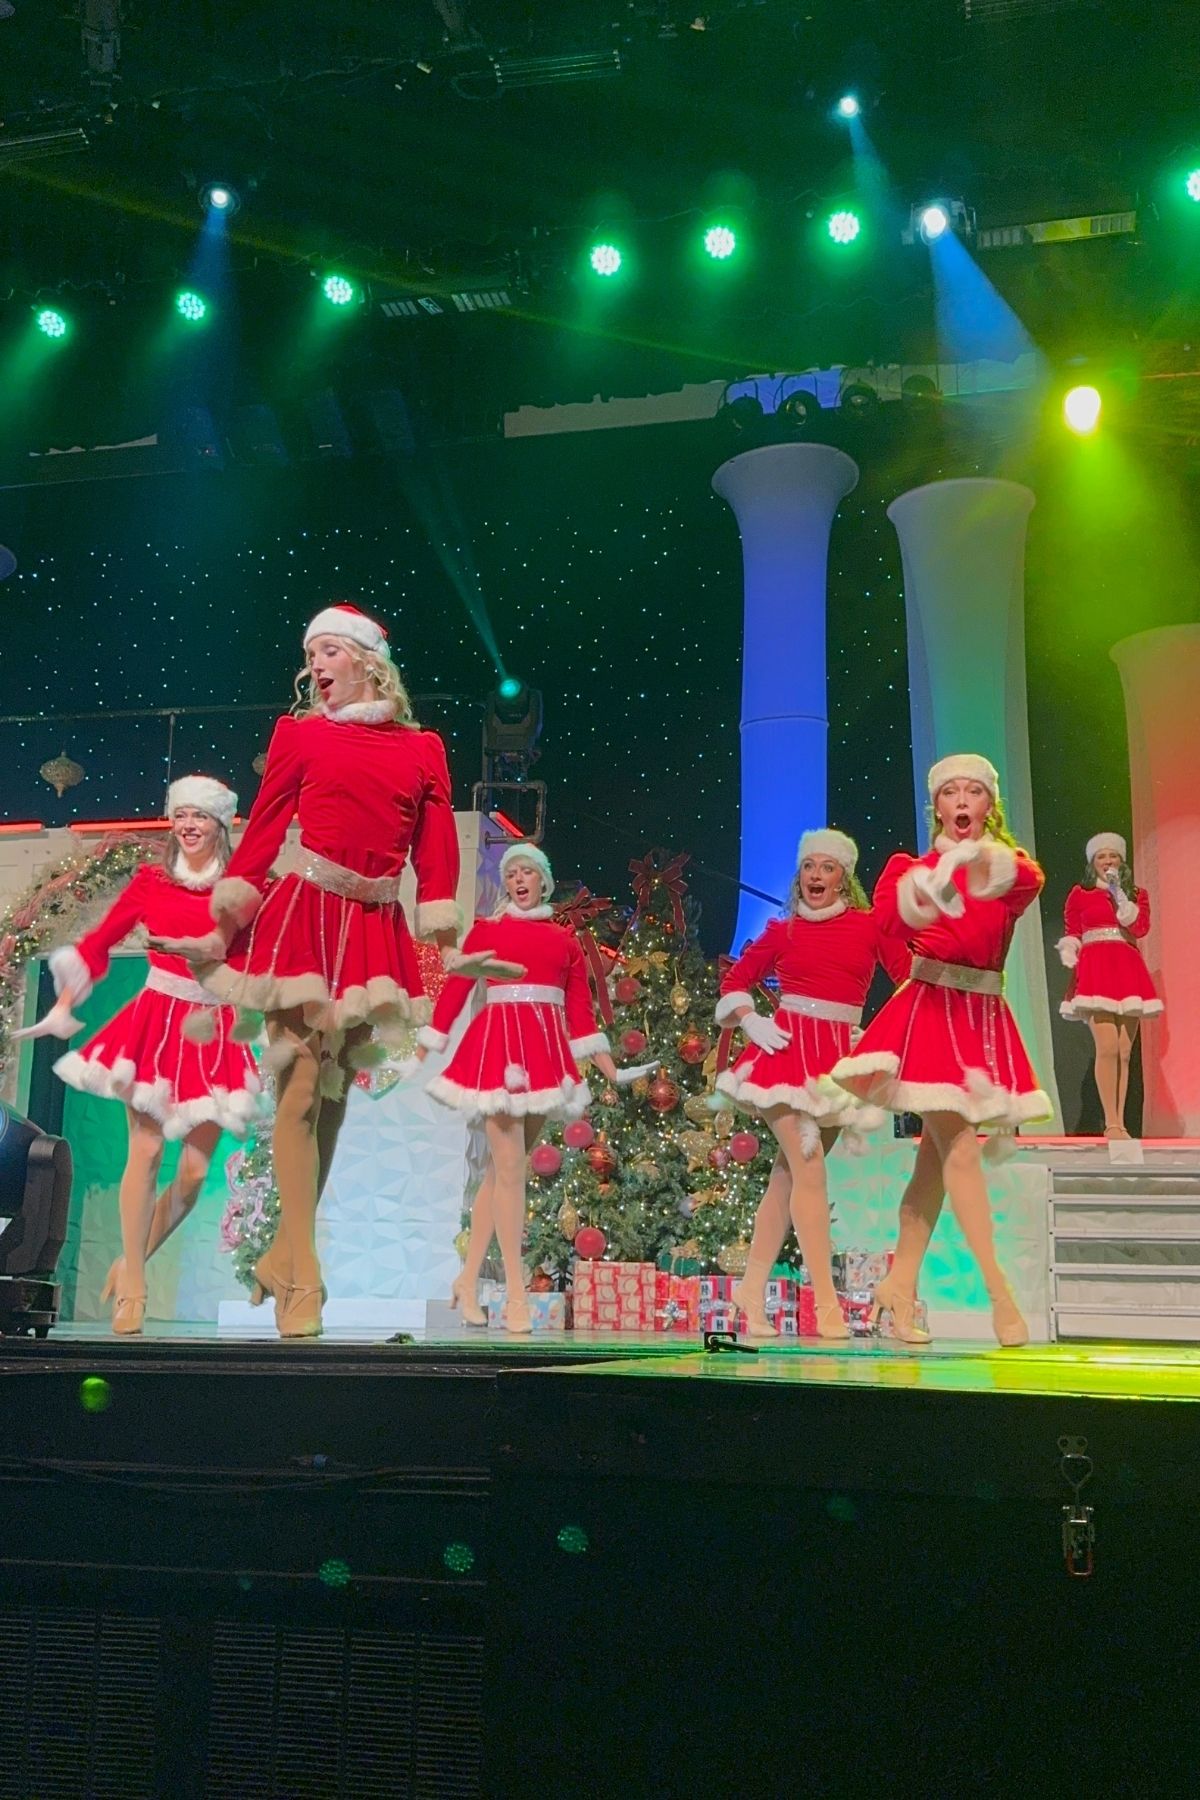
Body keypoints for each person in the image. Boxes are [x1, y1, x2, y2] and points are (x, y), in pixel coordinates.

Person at [157, 603, 517, 1340]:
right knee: (296, 1087)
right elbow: (261, 831)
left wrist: (445, 938)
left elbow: (436, 851)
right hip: (307, 916)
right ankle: (305, 1278)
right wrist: (224, 921)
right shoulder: (301, 735)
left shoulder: (423, 750)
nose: (315, 664)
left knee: (334, 1094)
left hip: (374, 926)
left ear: (367, 660)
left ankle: (284, 1256)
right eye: (309, 654)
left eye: (328, 651)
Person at [831, 755, 1051, 1348]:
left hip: (981, 1015)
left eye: (972, 792)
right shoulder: (910, 870)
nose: (960, 800)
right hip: (930, 1013)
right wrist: (922, 892)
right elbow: (888, 924)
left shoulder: (1008, 870)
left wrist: (972, 858)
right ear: (937, 805)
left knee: (930, 1167)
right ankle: (999, 1294)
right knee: (958, 1147)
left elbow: (1026, 883)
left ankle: (897, 1288)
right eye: (949, 791)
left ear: (987, 806)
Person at [44, 777, 259, 1334]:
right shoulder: (150, 881)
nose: (189, 825)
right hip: (155, 1024)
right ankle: (134, 1285)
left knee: (191, 1174)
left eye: (201, 817)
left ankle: (130, 1258)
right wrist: (67, 997)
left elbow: (260, 960)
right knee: (142, 1152)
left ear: (221, 824)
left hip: (212, 1029)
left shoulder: (242, 888)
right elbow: (98, 944)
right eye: (181, 815)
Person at [417, 843, 623, 1333]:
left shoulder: (564, 942)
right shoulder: (487, 931)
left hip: (544, 1056)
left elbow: (579, 1011)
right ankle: (514, 1293)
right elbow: (458, 987)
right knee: (509, 1172)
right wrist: (430, 1043)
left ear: (544, 882)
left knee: (502, 1174)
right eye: (512, 875)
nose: (519, 881)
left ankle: (467, 1280)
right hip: (499, 1052)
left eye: (528, 873)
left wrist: (608, 1065)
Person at [715, 829, 910, 1340]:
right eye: (808, 867)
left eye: (827, 867)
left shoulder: (870, 927)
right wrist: (750, 1019)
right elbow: (734, 980)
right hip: (784, 1053)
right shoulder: (783, 931)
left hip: (836, 1061)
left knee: (788, 1179)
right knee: (810, 1171)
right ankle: (826, 1302)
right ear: (798, 875)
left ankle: (750, 1292)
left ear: (844, 876)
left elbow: (909, 979)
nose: (816, 876)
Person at [1058, 831, 1161, 1140]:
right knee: (1107, 1046)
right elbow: (1072, 929)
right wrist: (1069, 949)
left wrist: (1119, 895)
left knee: (1125, 1052)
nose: (1107, 861)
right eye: (1101, 856)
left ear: (1121, 860)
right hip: (1095, 970)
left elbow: (1139, 927)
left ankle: (1120, 1123)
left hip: (1127, 971)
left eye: (1112, 855)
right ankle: (1111, 1122)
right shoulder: (1080, 893)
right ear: (1093, 862)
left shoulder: (1135, 894)